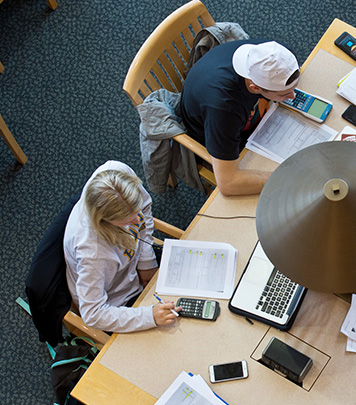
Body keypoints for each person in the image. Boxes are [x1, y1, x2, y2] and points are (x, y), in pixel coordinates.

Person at [63, 160, 180, 333]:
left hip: (135, 265)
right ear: (104, 221)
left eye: (136, 210)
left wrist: (146, 260)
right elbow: (93, 313)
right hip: (119, 302)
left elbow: (145, 211)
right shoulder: (93, 253)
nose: (136, 220)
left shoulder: (116, 171)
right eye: (126, 220)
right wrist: (149, 317)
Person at [178, 39, 300, 196]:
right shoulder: (224, 107)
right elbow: (228, 183)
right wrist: (287, 179)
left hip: (241, 115)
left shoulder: (276, 56)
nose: (294, 96)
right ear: (254, 87)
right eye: (285, 94)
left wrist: (280, 93)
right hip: (213, 129)